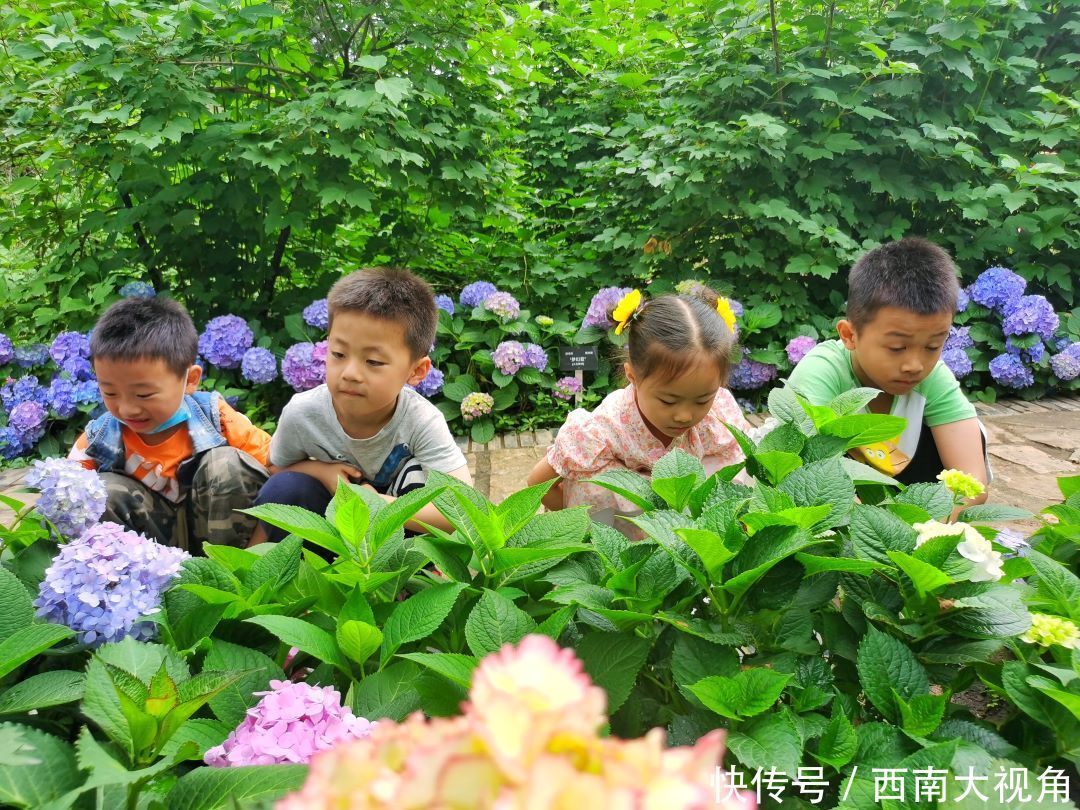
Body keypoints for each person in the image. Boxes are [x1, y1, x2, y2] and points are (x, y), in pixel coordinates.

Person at [252, 267, 471, 542]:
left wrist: (375, 502)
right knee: (283, 490)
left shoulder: (421, 420)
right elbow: (273, 469)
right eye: (339, 354)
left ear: (416, 371)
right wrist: (322, 472)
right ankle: (316, 577)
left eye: (373, 362)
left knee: (422, 483)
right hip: (333, 537)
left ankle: (409, 583)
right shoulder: (303, 413)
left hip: (397, 543)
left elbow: (464, 507)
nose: (350, 373)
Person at [527, 288, 750, 537]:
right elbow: (538, 483)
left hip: (687, 531)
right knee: (595, 484)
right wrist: (581, 524)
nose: (685, 416)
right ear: (632, 376)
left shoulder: (718, 414)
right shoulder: (603, 430)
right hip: (622, 537)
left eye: (703, 399)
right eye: (668, 400)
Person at [787, 236, 990, 502]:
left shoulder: (934, 377)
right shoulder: (821, 373)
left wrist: (927, 529)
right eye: (897, 347)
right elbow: (802, 480)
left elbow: (973, 481)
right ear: (849, 335)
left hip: (918, 506)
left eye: (932, 346)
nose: (915, 366)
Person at [69, 297, 271, 550]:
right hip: (151, 548)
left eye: (144, 394)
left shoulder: (217, 418)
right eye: (110, 393)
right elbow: (65, 493)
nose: (127, 408)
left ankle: (232, 576)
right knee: (96, 491)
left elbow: (277, 465)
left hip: (222, 542)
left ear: (190, 380)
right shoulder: (100, 437)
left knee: (227, 464)